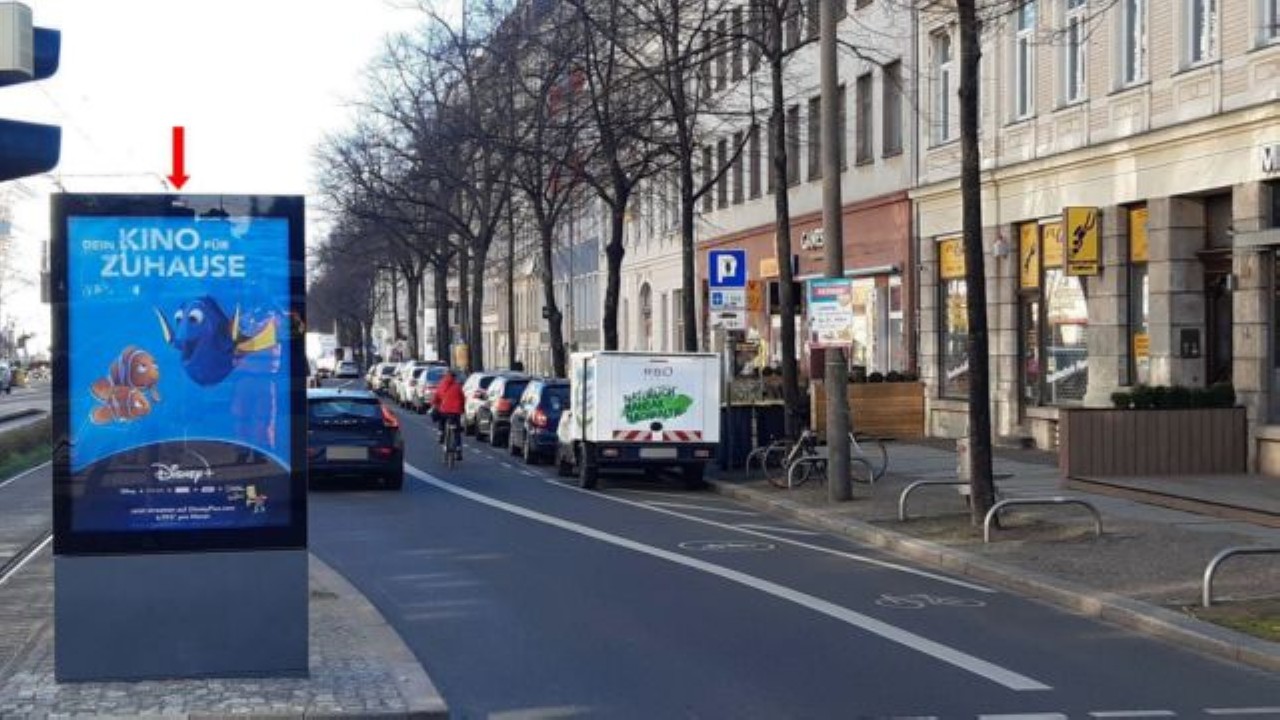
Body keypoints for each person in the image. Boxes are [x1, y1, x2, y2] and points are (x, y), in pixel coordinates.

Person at [431, 370, 466, 454]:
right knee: (457, 431)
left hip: (444, 411)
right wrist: (462, 409)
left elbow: (436, 397)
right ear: (454, 377)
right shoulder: (457, 386)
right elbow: (462, 399)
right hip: (455, 412)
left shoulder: (442, 384)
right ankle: (458, 448)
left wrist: (434, 404)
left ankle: (441, 433)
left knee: (442, 419)